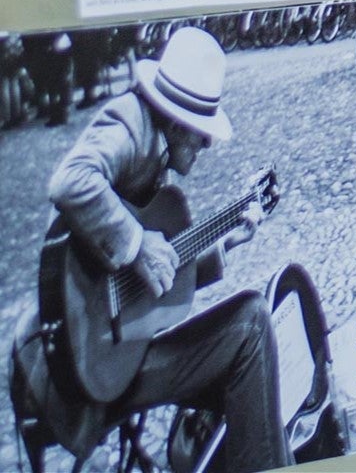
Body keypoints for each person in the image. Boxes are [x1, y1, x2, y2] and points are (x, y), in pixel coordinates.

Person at [41, 25, 292, 472]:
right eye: (200, 133)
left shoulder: (158, 161)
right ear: (176, 122)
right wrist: (137, 245)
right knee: (252, 322)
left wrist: (226, 241)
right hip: (92, 369)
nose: (207, 144)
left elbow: (159, 285)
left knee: (252, 351)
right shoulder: (129, 125)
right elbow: (69, 180)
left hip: (120, 354)